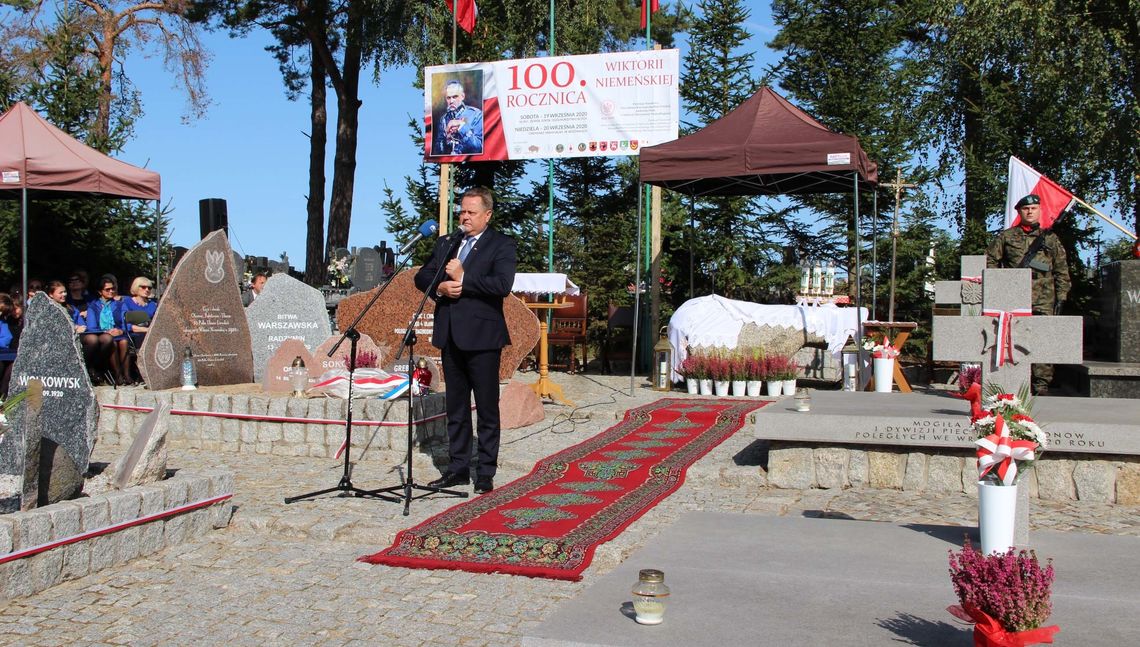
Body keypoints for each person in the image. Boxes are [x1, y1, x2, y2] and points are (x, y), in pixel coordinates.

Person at [415, 187, 517, 494]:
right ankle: (457, 468)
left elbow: (502, 284)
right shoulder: (448, 242)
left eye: (472, 212)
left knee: (486, 408)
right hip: (450, 335)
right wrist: (441, 289)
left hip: (483, 337)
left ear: (487, 215)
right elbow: (422, 277)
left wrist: (463, 278)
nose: (465, 217)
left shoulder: (501, 244)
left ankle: (485, 472)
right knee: (456, 408)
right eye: (462, 211)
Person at [986, 193, 1071, 394]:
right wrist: (1001, 284)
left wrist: (1062, 295)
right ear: (1019, 212)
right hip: (1014, 296)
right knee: (1012, 337)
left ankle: (1041, 383)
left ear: (1040, 210)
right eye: (1026, 209)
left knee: (1043, 338)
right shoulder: (1006, 237)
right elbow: (990, 261)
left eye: (1034, 208)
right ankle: (1012, 378)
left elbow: (1061, 268)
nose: (1030, 211)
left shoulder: (1050, 238)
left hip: (1044, 296)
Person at [82, 277, 127, 385]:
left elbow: (126, 322)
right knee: (110, 341)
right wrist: (106, 331)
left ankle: (127, 375)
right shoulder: (93, 306)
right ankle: (117, 375)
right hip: (102, 334)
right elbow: (91, 326)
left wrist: (121, 330)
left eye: (112, 289)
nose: (111, 291)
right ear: (100, 292)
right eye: (107, 290)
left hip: (117, 334)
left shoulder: (120, 304)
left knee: (124, 341)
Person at [433, 80, 484, 156]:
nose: (451, 101)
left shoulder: (476, 114)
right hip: (449, 164)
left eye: (455, 97)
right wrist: (445, 139)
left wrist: (462, 127)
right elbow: (438, 152)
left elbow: (478, 148)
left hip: (468, 164)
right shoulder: (443, 120)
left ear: (462, 96)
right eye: (448, 98)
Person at [123, 276, 158, 382]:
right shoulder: (127, 302)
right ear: (135, 288)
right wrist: (145, 330)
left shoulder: (153, 305)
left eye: (149, 288)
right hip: (134, 334)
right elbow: (125, 324)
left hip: (150, 333)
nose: (147, 290)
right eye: (143, 287)